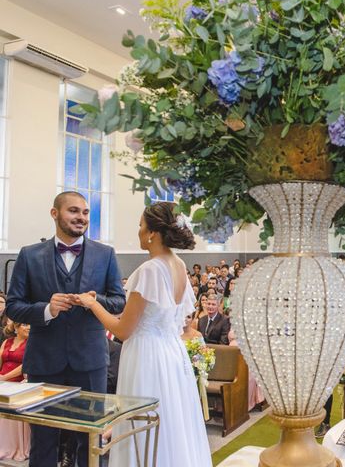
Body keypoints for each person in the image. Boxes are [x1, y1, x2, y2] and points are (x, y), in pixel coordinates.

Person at [75, 202, 212, 467]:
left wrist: (93, 305)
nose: (138, 231)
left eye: (140, 226)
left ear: (152, 233)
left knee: (143, 425)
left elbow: (123, 330)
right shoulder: (179, 265)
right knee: (171, 423)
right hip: (172, 353)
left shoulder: (149, 270)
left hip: (146, 356)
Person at [6, 191, 126, 467]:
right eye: (73, 211)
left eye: (85, 213)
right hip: (44, 361)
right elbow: (13, 305)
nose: (81, 218)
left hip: (90, 360)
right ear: (55, 214)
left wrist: (93, 301)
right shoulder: (29, 255)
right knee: (44, 439)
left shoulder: (105, 254)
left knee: (90, 439)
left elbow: (119, 300)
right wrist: (46, 309)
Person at [0, 322, 30, 461]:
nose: (28, 327)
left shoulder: (31, 343)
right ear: (16, 327)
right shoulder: (7, 341)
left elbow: (25, 365)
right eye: (24, 324)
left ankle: (12, 446)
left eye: (30, 325)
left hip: (18, 383)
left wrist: (5, 377)